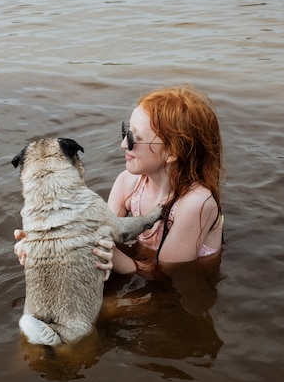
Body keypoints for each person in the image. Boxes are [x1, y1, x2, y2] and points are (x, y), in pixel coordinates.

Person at [14, 84, 224, 278]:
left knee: (110, 310)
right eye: (126, 132)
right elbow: (102, 234)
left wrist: (114, 256)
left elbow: (166, 276)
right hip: (144, 264)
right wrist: (44, 245)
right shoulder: (128, 182)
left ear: (172, 152)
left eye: (134, 138)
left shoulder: (196, 204)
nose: (124, 144)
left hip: (177, 279)